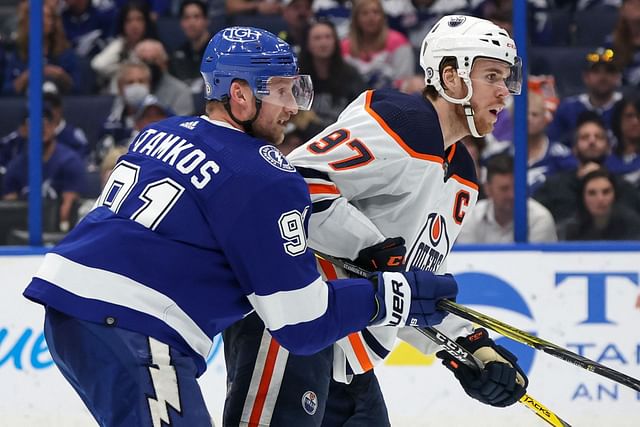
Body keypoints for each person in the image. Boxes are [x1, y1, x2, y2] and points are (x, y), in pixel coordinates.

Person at [22, 26, 458, 427]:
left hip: (67, 308)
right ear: (241, 95)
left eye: (296, 91)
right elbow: (300, 323)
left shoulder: (159, 132)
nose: (293, 108)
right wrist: (393, 296)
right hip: (132, 324)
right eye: (283, 93)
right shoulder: (264, 175)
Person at [223, 16, 529, 427]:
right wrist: (367, 247)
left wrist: (469, 348)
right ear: (452, 77)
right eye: (492, 75)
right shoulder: (404, 122)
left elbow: (407, 284)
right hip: (291, 322)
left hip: (349, 357)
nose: (503, 92)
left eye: (507, 78)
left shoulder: (462, 178)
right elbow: (289, 185)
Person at [534, 111, 640, 225]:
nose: (592, 141)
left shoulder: (623, 187)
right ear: (574, 148)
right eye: (585, 137)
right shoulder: (553, 187)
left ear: (609, 148)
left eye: (598, 137)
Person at [457, 154, 558, 243]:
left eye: (516, 187)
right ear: (488, 189)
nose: (512, 195)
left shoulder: (540, 219)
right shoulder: (470, 216)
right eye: (504, 189)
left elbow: (537, 262)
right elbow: (466, 262)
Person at [546, 47, 623, 146]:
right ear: (585, 77)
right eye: (596, 71)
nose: (602, 77)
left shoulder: (626, 107)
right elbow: (553, 145)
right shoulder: (567, 108)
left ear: (617, 77)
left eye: (609, 71)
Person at [562, 168, 640, 240]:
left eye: (606, 192)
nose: (600, 199)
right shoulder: (571, 228)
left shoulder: (632, 225)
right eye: (592, 193)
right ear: (582, 197)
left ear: (615, 195)